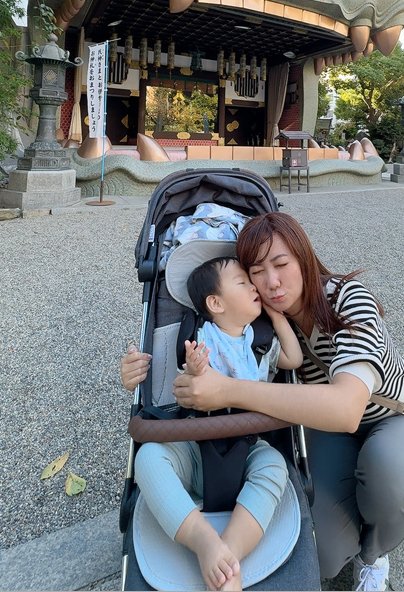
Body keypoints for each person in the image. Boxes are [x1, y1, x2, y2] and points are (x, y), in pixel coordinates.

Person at [161, 212, 404, 592]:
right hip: (330, 429)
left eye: (281, 264)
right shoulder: (266, 324)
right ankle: (359, 516)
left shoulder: (349, 299)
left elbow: (346, 409)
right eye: (256, 271)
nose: (271, 282)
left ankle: (374, 553)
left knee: (389, 474)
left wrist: (226, 390)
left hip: (394, 416)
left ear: (303, 258)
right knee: (324, 555)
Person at [125, 247, 303, 592]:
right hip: (195, 447)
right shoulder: (201, 340)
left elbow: (294, 359)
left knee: (274, 465)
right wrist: (194, 370)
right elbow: (187, 383)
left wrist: (277, 317)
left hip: (248, 446)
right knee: (148, 457)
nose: (255, 287)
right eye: (243, 282)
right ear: (216, 304)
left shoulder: (261, 343)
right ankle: (202, 538)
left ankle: (229, 552)